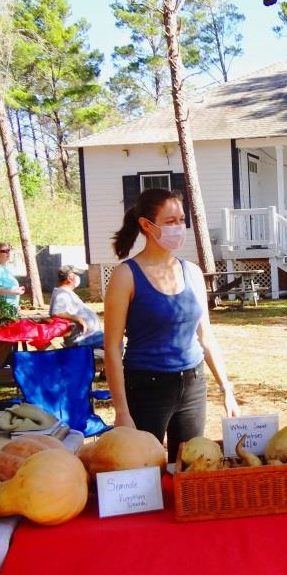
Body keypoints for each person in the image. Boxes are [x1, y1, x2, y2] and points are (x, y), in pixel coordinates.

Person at [104, 189, 240, 462]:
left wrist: (227, 389)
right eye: (170, 221)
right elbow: (112, 348)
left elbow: (206, 336)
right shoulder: (125, 275)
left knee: (189, 470)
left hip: (192, 384)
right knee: (144, 471)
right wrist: (122, 412)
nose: (178, 227)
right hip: (145, 388)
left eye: (181, 220)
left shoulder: (191, 272)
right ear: (146, 225)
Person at [49, 266, 103, 349]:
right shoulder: (62, 294)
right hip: (82, 339)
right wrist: (79, 319)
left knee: (114, 340)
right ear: (70, 277)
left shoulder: (66, 292)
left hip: (88, 336)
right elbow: (56, 313)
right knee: (115, 341)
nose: (78, 277)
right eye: (76, 274)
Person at [0, 241, 25, 309]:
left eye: (8, 250)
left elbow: (6, 288)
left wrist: (17, 290)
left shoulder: (3, 268)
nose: (7, 253)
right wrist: (14, 292)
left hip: (10, 309)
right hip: (2, 309)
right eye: (4, 251)